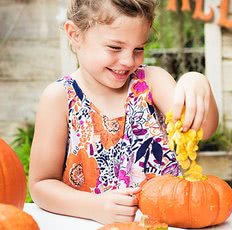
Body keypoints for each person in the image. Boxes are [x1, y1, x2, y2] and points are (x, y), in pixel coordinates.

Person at [28, 0, 218, 224]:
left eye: (139, 48)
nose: (128, 61)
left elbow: (203, 130)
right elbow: (41, 185)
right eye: (115, 47)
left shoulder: (152, 82)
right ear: (75, 35)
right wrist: (94, 206)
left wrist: (198, 82)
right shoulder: (59, 98)